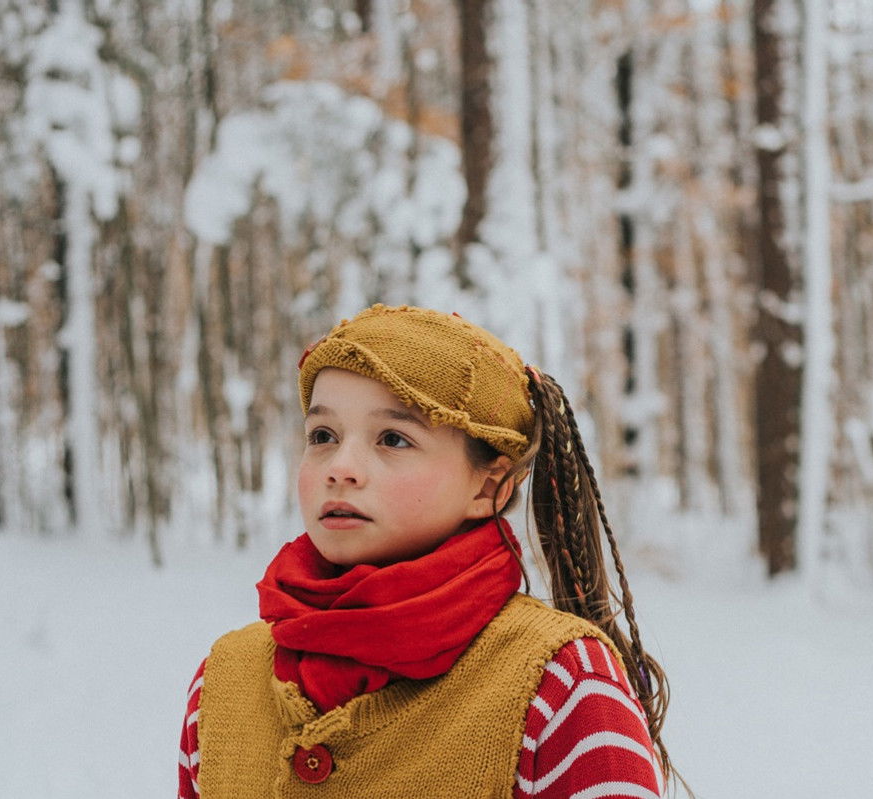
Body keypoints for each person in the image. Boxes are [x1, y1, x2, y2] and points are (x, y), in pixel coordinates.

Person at [177, 305, 675, 798]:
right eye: (322, 436)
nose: (340, 467)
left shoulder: (563, 686)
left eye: (393, 439)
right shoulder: (224, 681)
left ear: (490, 486)